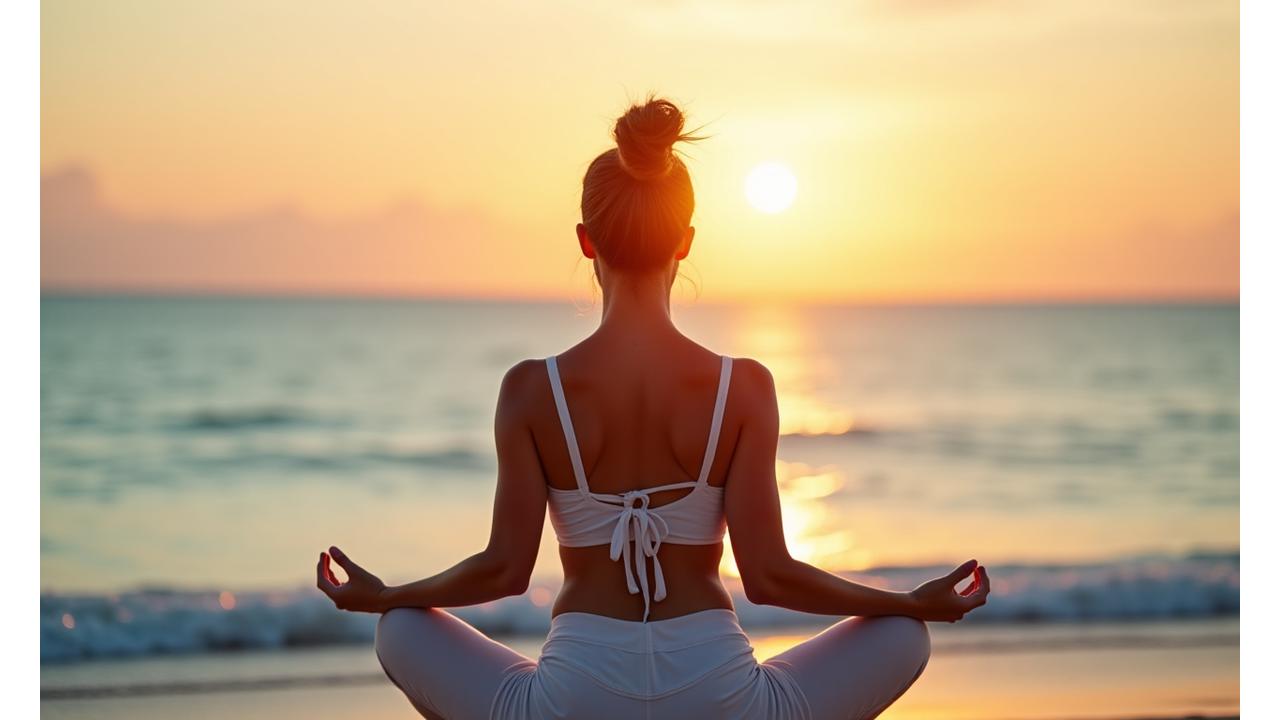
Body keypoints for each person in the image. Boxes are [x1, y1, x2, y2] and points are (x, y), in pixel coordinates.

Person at [315, 96, 990, 720]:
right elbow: (770, 576)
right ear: (685, 241)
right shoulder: (743, 387)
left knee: (400, 628)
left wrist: (385, 595)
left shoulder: (531, 389)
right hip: (722, 694)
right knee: (905, 636)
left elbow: (504, 570)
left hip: (573, 695)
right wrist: (909, 603)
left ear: (586, 240)